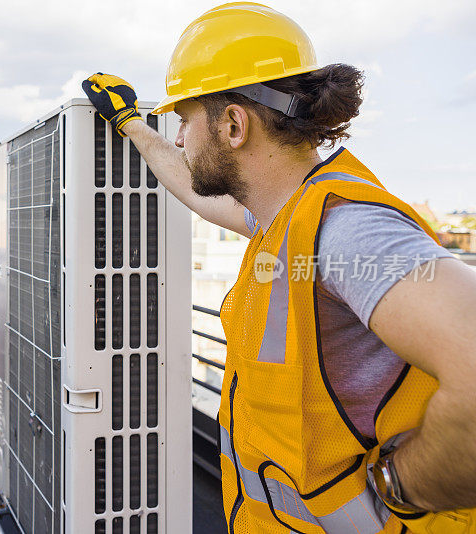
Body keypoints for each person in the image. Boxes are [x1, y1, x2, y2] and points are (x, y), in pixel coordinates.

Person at [83, 3, 476, 533]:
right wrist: (134, 126)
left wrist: (399, 490)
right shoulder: (286, 218)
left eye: (184, 121)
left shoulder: (344, 232)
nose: (179, 138)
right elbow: (195, 189)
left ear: (233, 124)